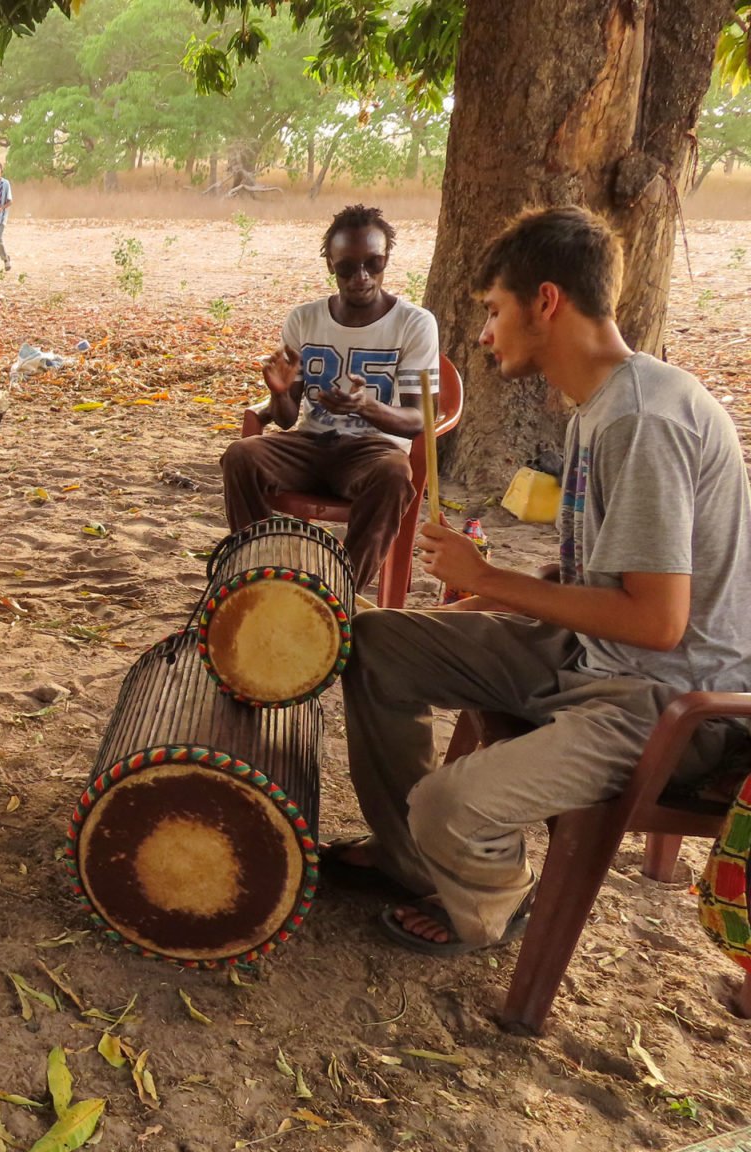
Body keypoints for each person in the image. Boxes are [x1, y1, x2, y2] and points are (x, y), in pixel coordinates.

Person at [336, 205, 751, 955]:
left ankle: (495, 902)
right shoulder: (601, 407)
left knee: (448, 807)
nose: (487, 334)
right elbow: (603, 575)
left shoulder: (643, 420)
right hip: (589, 654)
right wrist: (493, 592)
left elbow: (659, 623)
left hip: (663, 702)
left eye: (496, 312)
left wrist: (491, 573)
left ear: (547, 302)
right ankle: (411, 865)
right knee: (374, 641)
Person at [220, 205, 439, 591]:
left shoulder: (414, 323)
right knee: (242, 455)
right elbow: (286, 420)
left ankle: (337, 594)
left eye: (374, 263)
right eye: (347, 268)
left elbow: (422, 419)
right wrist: (280, 392)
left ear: (387, 259)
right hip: (309, 445)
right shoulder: (304, 320)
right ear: (330, 265)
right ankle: (261, 574)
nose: (361, 277)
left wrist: (367, 408)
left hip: (371, 452)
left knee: (394, 474)